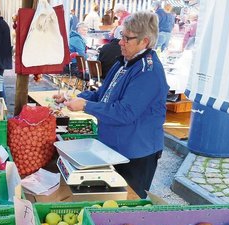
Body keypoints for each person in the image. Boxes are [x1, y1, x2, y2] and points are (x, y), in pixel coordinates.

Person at [55, 11, 169, 199]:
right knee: (108, 199)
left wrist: (85, 106)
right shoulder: (124, 63)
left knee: (126, 201)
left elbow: (125, 112)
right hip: (113, 147)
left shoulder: (148, 72)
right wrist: (73, 98)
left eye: (126, 38)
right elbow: (102, 95)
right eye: (121, 36)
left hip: (136, 153)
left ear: (145, 42)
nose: (120, 42)